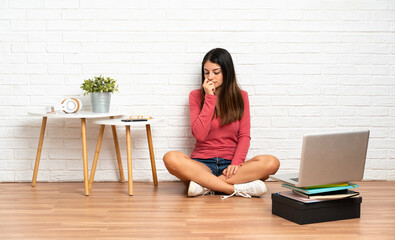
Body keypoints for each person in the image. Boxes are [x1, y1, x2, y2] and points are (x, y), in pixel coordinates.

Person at [163, 48, 280, 199]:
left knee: (271, 162)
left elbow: (244, 136)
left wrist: (236, 163)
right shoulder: (196, 96)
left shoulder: (241, 96)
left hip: (231, 166)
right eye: (206, 72)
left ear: (227, 71)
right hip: (202, 165)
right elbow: (199, 134)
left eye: (216, 72)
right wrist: (209, 98)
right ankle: (234, 189)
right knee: (171, 158)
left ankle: (205, 186)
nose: (210, 77)